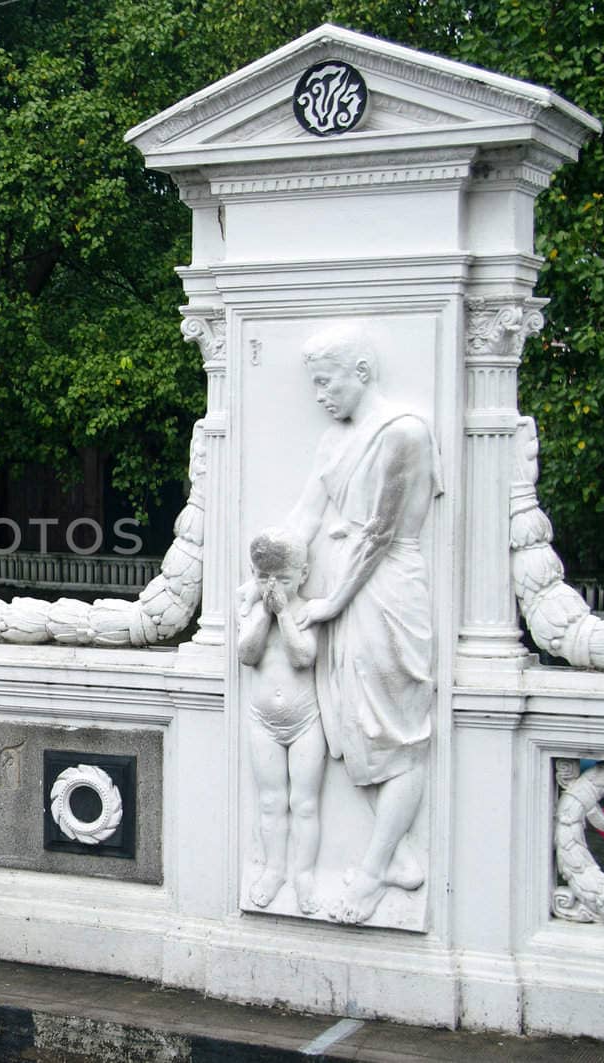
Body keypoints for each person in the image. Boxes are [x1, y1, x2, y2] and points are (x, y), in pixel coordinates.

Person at [285, 321, 442, 924]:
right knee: (347, 727)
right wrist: (266, 570)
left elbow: (379, 533)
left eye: (326, 382)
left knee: (392, 735)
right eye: (313, 385)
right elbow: (305, 513)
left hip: (386, 594)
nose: (320, 395)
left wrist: (332, 601)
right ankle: (397, 854)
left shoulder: (403, 433)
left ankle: (374, 873)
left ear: (361, 372)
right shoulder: (333, 442)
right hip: (343, 588)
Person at [237, 528, 326, 913]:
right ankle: (274, 870)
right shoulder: (251, 612)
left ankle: (303, 875)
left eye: (284, 580)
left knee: (304, 803)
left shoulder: (308, 611)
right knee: (271, 802)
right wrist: (264, 613)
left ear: (302, 576)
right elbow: (247, 654)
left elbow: (302, 657)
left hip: (306, 721)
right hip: (263, 723)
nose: (272, 586)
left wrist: (284, 614)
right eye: (263, 578)